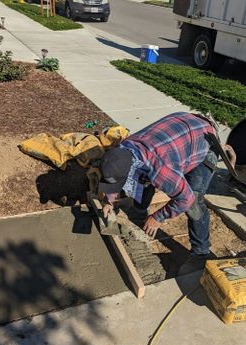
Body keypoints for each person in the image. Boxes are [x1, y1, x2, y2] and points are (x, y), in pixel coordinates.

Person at [98, 112, 235, 274]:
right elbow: (120, 173)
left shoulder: (161, 168)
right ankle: (140, 212)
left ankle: (201, 254)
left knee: (194, 202)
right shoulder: (126, 148)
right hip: (181, 132)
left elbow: (186, 199)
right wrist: (109, 200)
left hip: (204, 140)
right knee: (142, 176)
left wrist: (157, 217)